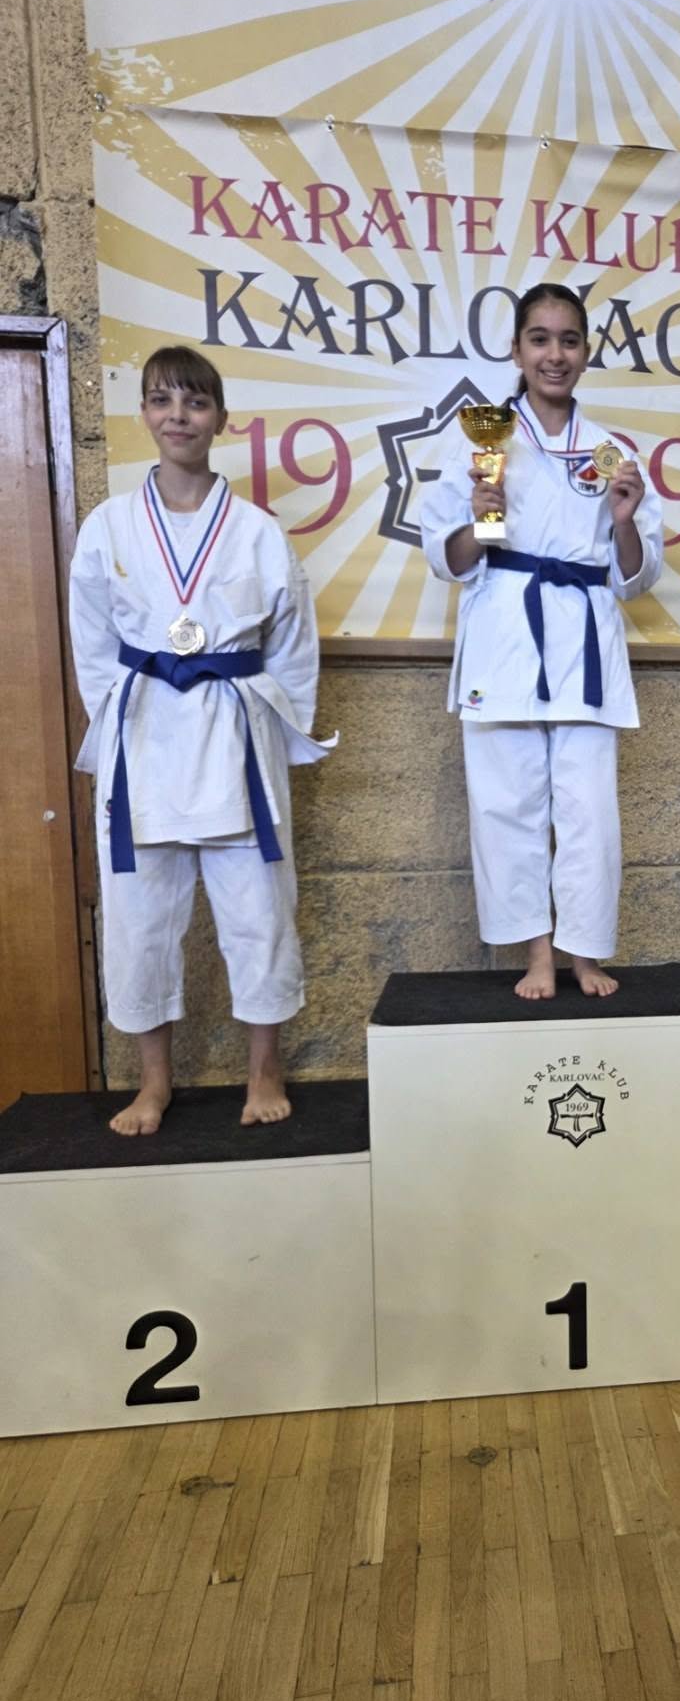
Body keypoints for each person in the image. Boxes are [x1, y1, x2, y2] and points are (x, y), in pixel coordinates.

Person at [68, 345, 333, 1136]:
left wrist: (277, 734)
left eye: (194, 401)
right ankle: (153, 1083)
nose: (177, 416)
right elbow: (92, 642)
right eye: (162, 400)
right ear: (144, 413)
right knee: (140, 918)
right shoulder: (108, 526)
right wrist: (121, 716)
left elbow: (294, 646)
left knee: (260, 912)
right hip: (145, 737)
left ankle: (264, 1070)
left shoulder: (257, 531)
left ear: (220, 417)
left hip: (235, 736)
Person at [420, 283, 663, 999]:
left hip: (584, 638)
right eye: (539, 339)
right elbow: (448, 559)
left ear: (585, 352)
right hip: (505, 629)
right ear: (516, 350)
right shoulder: (480, 440)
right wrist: (479, 519)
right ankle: (537, 953)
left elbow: (635, 578)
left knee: (588, 809)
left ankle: (583, 953)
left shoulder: (612, 452)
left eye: (568, 340)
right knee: (508, 803)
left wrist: (624, 519)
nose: (554, 354)